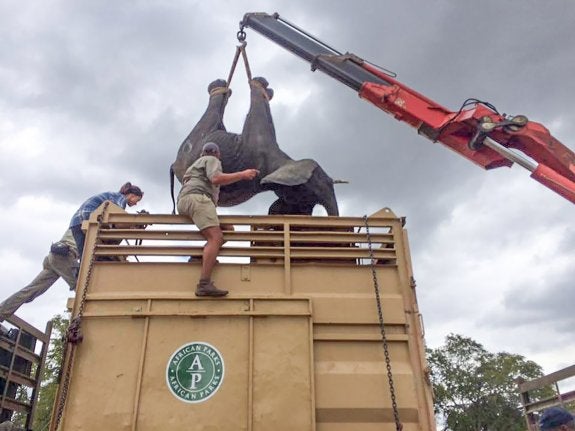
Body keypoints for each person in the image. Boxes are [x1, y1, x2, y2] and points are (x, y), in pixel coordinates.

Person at [177, 142, 259, 297]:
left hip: (189, 200)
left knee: (228, 229)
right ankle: (204, 284)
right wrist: (243, 174)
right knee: (215, 237)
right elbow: (215, 178)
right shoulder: (212, 160)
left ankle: (201, 257)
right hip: (197, 199)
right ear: (217, 154)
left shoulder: (197, 164)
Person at [0, 229, 79, 321]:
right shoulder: (93, 219)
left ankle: (2, 311)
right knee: (82, 288)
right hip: (65, 257)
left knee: (30, 291)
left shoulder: (77, 220)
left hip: (53, 255)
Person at [69, 182, 143, 261]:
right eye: (137, 200)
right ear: (132, 195)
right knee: (88, 259)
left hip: (76, 223)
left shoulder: (113, 196)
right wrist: (134, 224)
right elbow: (120, 219)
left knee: (85, 257)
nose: (136, 204)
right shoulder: (120, 198)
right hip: (84, 222)